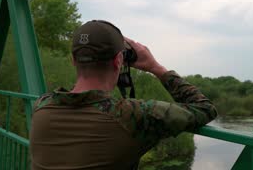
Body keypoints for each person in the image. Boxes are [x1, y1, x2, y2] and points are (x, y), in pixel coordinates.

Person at [30, 20, 217, 170]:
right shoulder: (133, 115)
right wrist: (156, 68)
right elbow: (204, 108)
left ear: (73, 60)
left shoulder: (41, 106)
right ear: (118, 60)